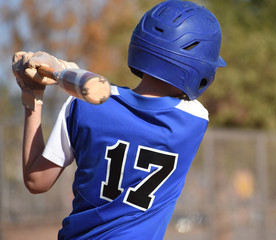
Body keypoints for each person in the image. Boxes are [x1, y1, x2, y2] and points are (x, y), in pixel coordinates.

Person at [12, 0, 226, 239]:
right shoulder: (194, 120)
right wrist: (69, 68)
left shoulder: (81, 106)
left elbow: (37, 181)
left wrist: (33, 96)